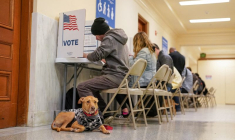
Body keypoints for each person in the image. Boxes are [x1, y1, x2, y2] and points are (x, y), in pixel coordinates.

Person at [78, 17, 129, 123]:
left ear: (102, 33)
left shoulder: (109, 38)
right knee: (92, 87)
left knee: (82, 86)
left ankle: (96, 117)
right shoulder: (119, 38)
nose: (96, 38)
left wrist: (85, 55)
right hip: (122, 76)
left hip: (115, 76)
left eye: (96, 35)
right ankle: (105, 114)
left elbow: (97, 54)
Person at [127, 32, 156, 117]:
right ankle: (132, 110)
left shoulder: (143, 51)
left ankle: (130, 110)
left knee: (121, 88)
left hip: (144, 81)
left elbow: (134, 66)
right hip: (150, 80)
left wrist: (130, 57)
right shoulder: (150, 51)